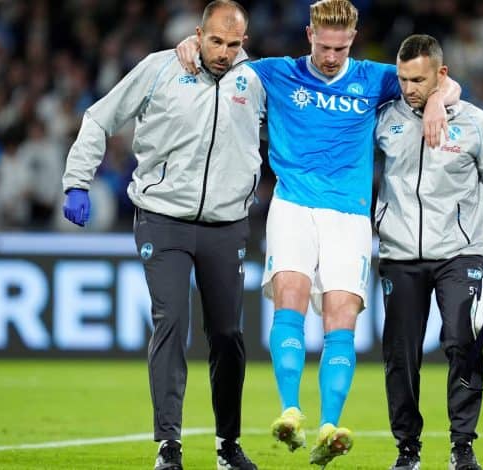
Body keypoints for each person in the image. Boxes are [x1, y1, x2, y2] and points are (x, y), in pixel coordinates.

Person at [175, 0, 460, 466]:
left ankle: (330, 425)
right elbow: (219, 57)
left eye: (341, 47)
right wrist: (189, 43)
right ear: (309, 34)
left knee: (339, 316)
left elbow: (446, 81)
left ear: (353, 38)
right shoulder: (277, 72)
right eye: (325, 46)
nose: (332, 56)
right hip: (292, 205)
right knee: (290, 299)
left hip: (349, 215)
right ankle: (290, 412)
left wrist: (434, 102)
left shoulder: (375, 77)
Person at [61, 2, 263, 469]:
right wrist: (77, 179)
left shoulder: (256, 81)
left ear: (244, 44)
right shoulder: (160, 68)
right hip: (163, 218)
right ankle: (168, 445)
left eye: (234, 45)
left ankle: (227, 446)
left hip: (226, 224)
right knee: (171, 322)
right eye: (215, 41)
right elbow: (100, 117)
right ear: (198, 33)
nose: (223, 52)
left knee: (229, 334)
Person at [373, 34, 483, 470]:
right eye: (403, 79)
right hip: (400, 252)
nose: (409, 89)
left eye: (419, 80)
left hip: (461, 252)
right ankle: (407, 449)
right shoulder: (384, 119)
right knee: (399, 354)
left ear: (441, 75)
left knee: (464, 343)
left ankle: (462, 446)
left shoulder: (474, 123)